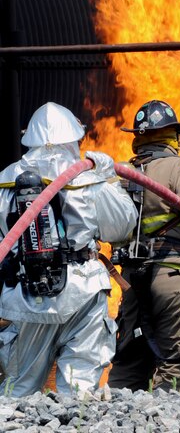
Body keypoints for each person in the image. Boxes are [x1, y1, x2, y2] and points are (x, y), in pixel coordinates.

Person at [0, 102, 138, 397]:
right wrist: (109, 179)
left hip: (25, 296)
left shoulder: (5, 180)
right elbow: (123, 226)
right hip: (82, 291)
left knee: (17, 389)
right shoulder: (87, 176)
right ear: (75, 137)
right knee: (79, 388)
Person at [108, 99, 180, 391]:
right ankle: (169, 419)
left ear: (138, 137)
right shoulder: (179, 169)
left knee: (130, 357)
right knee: (177, 357)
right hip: (173, 275)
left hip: (132, 281)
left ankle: (114, 417)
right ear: (173, 136)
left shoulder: (118, 175)